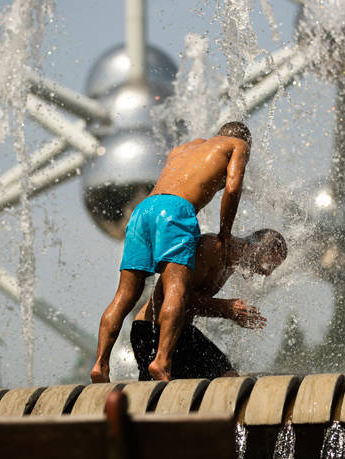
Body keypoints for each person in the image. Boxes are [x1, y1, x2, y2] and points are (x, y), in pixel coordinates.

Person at [90, 121, 252, 383]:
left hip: (144, 209)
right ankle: (162, 361)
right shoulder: (238, 145)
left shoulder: (184, 149)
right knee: (176, 288)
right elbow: (233, 188)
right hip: (174, 212)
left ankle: (100, 364)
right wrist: (224, 234)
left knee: (124, 295)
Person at [132, 229, 288, 380]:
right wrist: (225, 308)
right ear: (255, 248)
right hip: (152, 332)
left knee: (229, 379)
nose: (266, 274)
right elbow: (176, 298)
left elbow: (192, 305)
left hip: (181, 333)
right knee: (157, 399)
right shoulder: (212, 248)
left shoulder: (231, 264)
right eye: (269, 266)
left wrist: (229, 312)